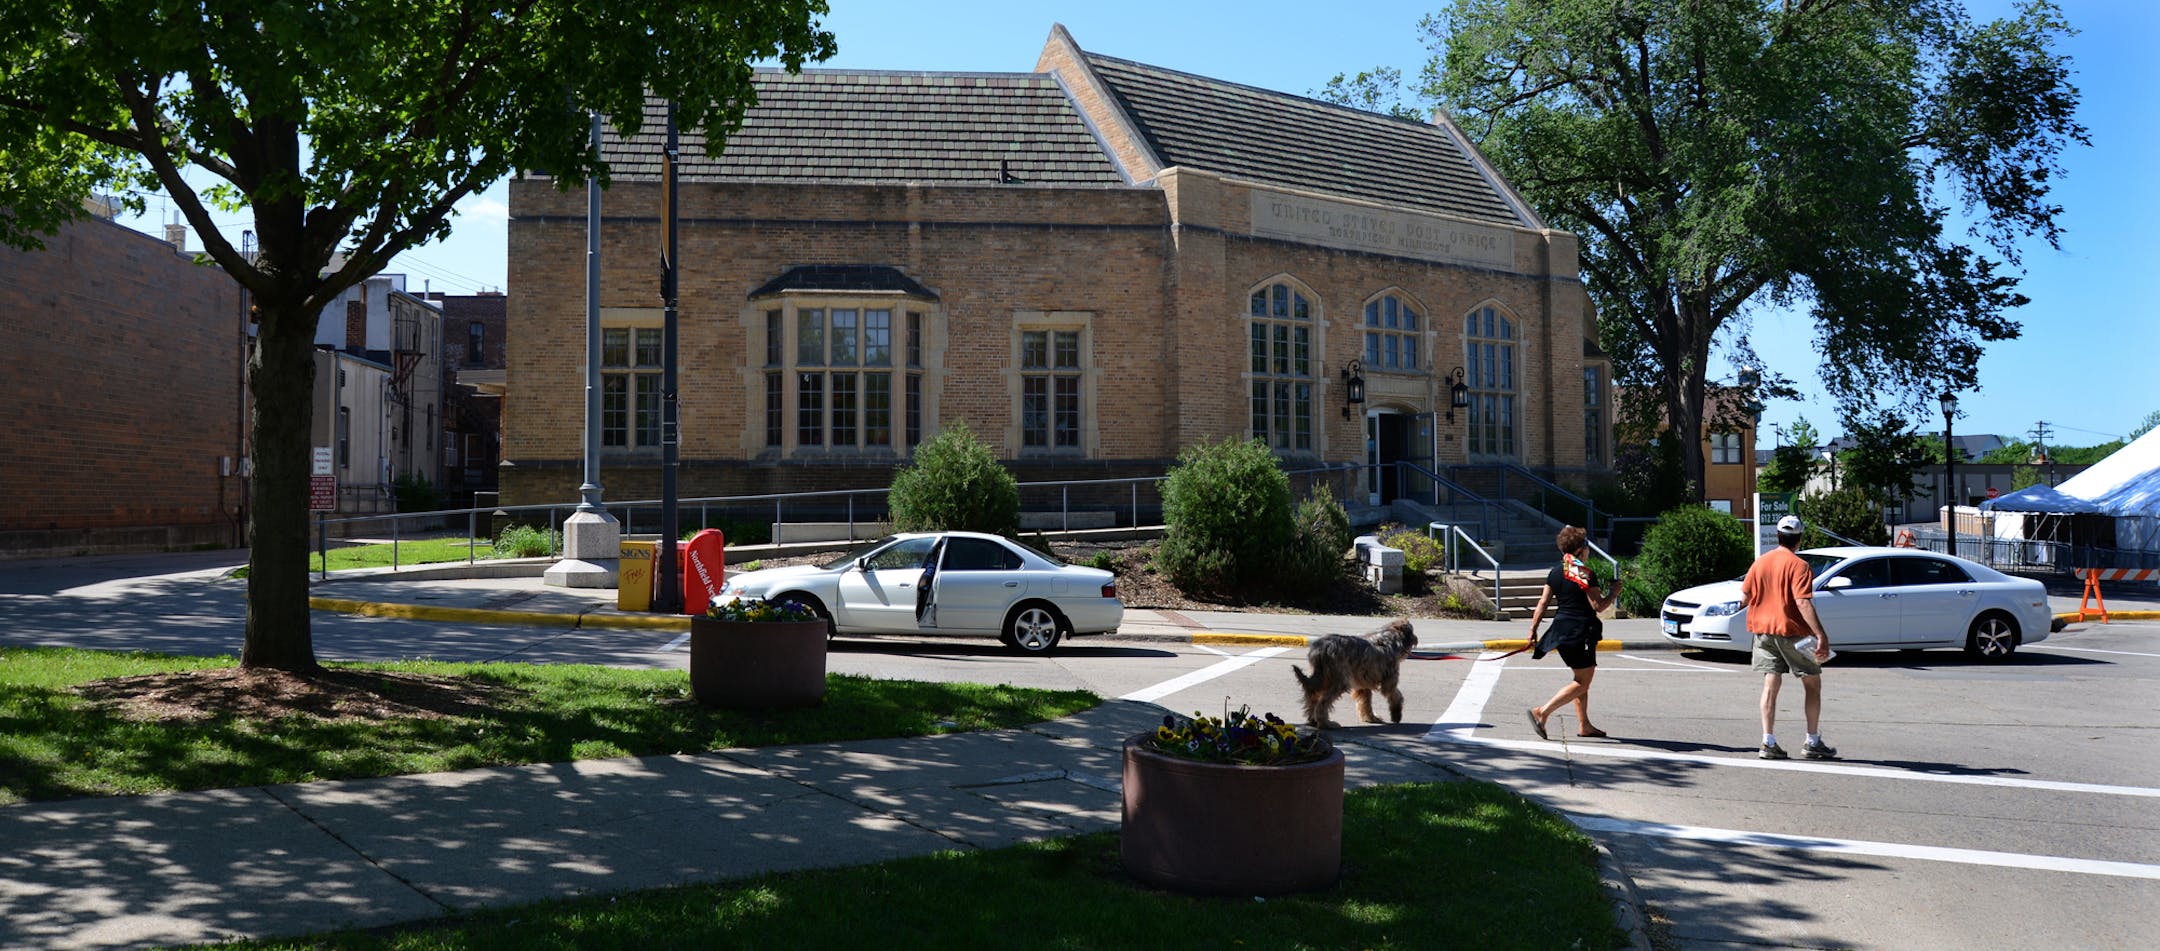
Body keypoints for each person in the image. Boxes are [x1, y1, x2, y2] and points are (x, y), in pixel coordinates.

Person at [1741, 514, 1838, 760]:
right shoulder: (1800, 566)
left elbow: (1744, 598)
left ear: (1777, 536)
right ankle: (1812, 741)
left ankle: (1767, 741)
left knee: (1770, 685)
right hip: (1793, 632)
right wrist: (1821, 635)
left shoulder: (1760, 562)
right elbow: (1803, 602)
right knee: (1812, 682)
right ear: (1800, 538)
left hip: (1763, 631)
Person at [1525, 525, 1615, 740]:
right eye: (1586, 546)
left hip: (1560, 630)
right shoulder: (1583, 573)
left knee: (1579, 679)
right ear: (1580, 551)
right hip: (1579, 631)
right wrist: (1614, 592)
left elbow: (1543, 602)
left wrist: (1533, 629)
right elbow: (1598, 606)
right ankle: (1542, 712)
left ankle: (1585, 725)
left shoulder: (1556, 572)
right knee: (1582, 682)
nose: (1588, 550)